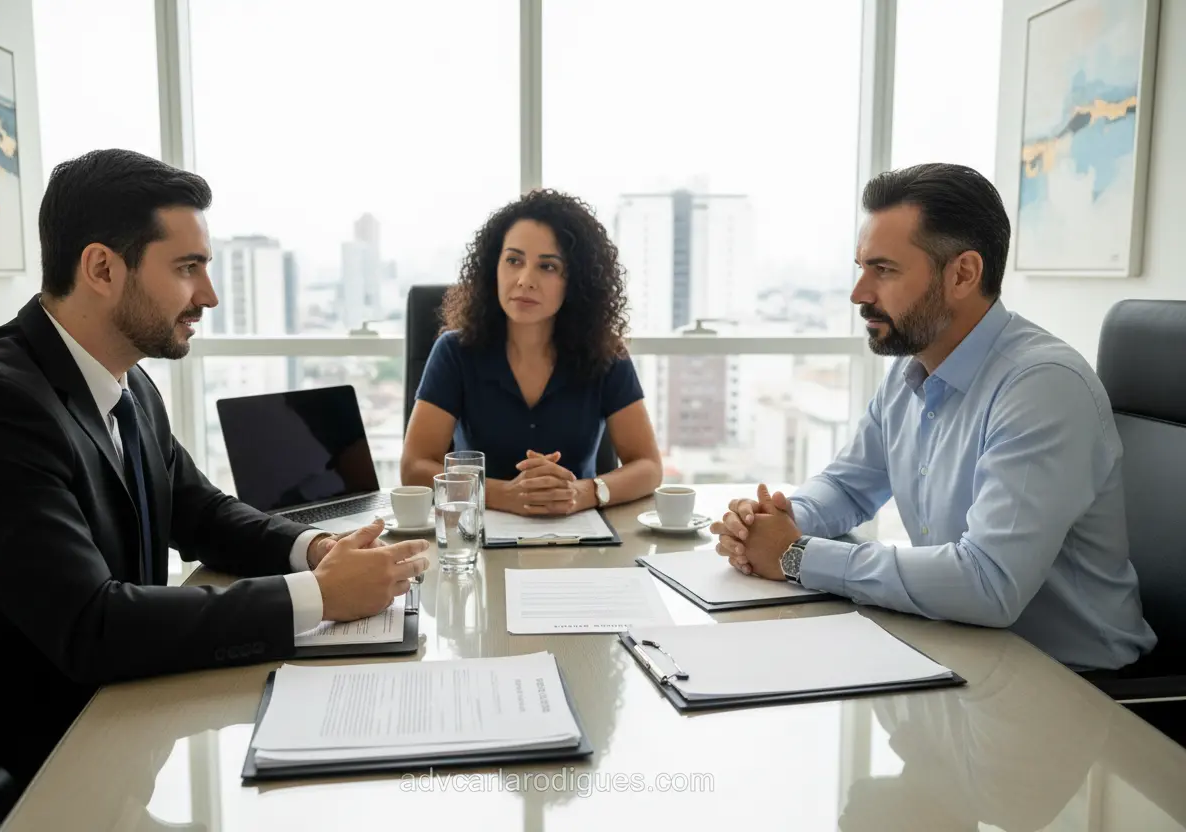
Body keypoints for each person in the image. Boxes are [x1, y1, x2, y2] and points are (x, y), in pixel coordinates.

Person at [0, 149, 429, 798]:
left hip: (124, 719)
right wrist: (320, 597)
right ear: (102, 268)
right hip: (37, 765)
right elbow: (93, 626)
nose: (209, 295)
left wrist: (318, 550)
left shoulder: (128, 381)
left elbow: (198, 512)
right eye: (187, 268)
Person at [713, 163, 1155, 671]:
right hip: (963, 653)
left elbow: (988, 583)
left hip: (1075, 686)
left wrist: (796, 556)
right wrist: (779, 521)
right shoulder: (914, 368)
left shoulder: (1042, 385)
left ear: (963, 273)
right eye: (861, 268)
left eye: (884, 270)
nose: (859, 293)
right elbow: (851, 486)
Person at [401, 189, 662, 515]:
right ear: (492, 267)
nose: (525, 280)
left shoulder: (606, 353)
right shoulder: (455, 351)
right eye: (513, 260)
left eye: (548, 267)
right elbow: (414, 467)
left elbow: (649, 466)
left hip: (579, 536)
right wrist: (504, 495)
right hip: (476, 536)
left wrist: (583, 492)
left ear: (576, 281)